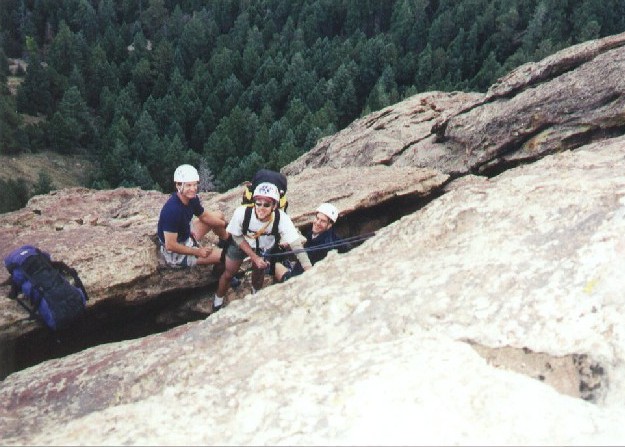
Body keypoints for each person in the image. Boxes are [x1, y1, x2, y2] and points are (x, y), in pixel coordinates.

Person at [213, 182, 312, 311]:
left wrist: (309, 269)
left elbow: (296, 244)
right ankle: (217, 302)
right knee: (229, 273)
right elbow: (236, 236)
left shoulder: (281, 219)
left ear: (274, 206)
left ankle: (256, 296)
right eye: (258, 203)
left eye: (266, 205)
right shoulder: (242, 213)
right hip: (241, 243)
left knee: (258, 274)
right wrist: (253, 257)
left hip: (263, 247)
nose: (261, 208)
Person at [157, 164, 229, 268]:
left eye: (195, 185)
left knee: (219, 216)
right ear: (178, 185)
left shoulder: (192, 199)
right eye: (188, 185)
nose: (193, 189)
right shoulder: (172, 210)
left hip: (186, 235)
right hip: (176, 253)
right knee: (228, 256)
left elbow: (204, 216)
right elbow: (170, 245)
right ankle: (219, 271)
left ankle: (227, 240)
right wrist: (198, 251)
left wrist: (226, 224)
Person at [275, 202, 349, 281]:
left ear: (330, 225)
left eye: (323, 221)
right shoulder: (326, 235)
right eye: (317, 218)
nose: (317, 223)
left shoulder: (324, 246)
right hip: (303, 269)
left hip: (299, 279)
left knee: (275, 265)